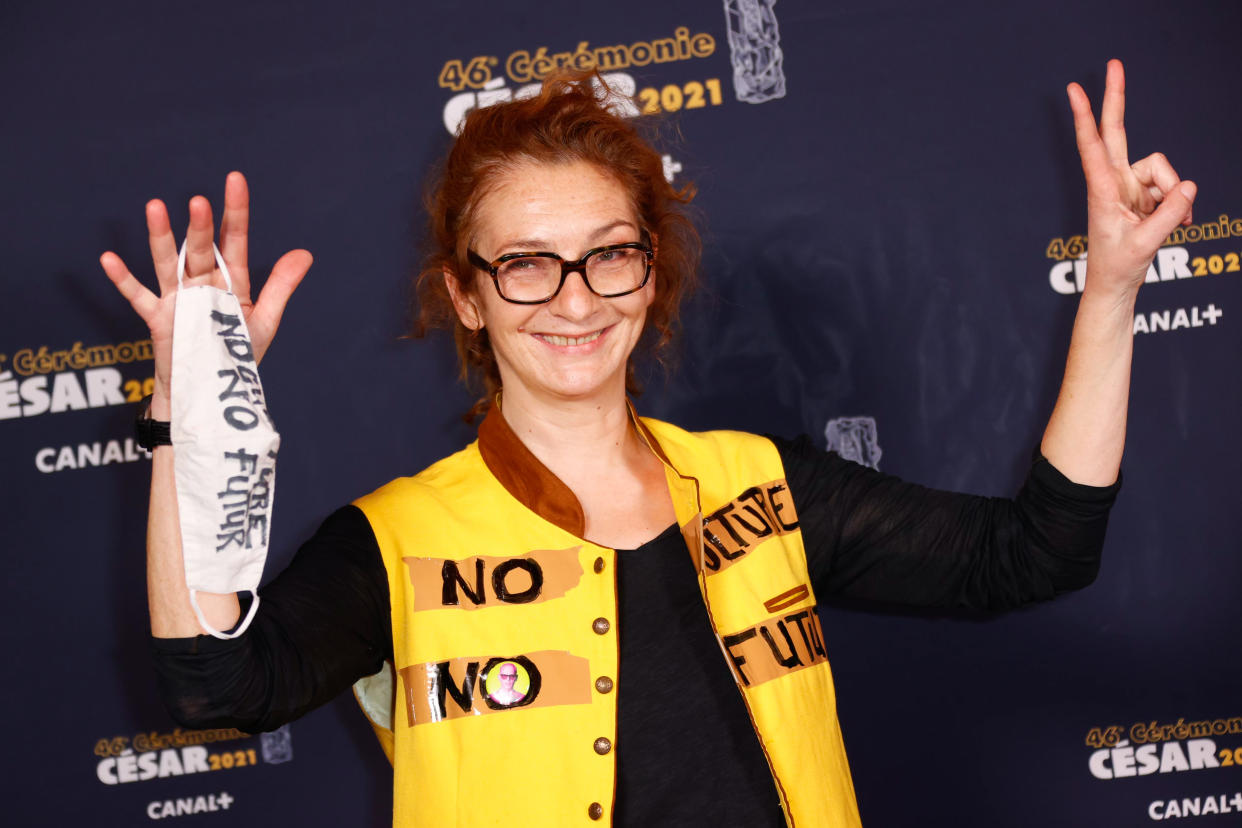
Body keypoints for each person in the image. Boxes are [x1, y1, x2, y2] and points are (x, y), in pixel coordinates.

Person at [100, 61, 1195, 827]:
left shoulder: (761, 483)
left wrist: (1109, 289)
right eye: (524, 263)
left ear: (650, 269)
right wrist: (188, 413)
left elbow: (1038, 552)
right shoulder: (392, 542)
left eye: (607, 254)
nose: (572, 300)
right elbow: (212, 686)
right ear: (466, 298)